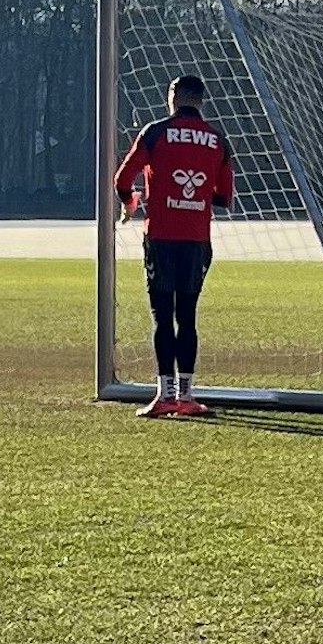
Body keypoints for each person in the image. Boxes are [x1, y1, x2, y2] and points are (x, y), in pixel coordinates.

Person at [112, 74, 235, 418]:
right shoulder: (218, 140)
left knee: (162, 314)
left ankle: (164, 395)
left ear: (173, 97)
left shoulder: (155, 132)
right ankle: (188, 395)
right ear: (201, 100)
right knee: (189, 316)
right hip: (197, 240)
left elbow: (122, 179)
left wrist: (131, 202)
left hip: (162, 237)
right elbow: (224, 197)